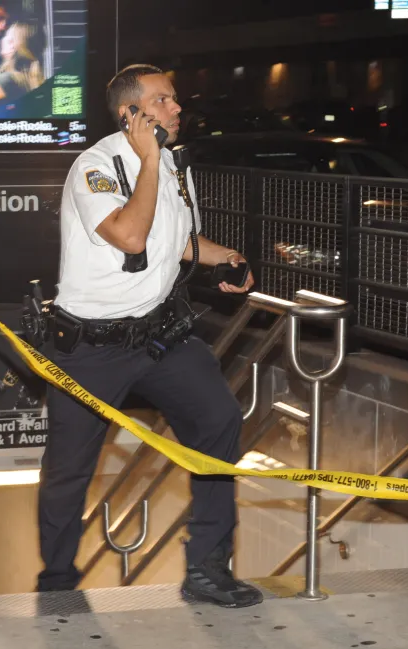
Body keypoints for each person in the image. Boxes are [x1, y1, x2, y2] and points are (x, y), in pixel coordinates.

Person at [38, 64, 263, 608]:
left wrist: (224, 257)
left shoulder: (169, 164)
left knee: (219, 419)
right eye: (163, 101)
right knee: (71, 468)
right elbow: (132, 235)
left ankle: (208, 568)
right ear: (131, 115)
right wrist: (146, 162)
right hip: (90, 347)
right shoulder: (94, 167)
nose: (177, 108)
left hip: (159, 335)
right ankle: (58, 584)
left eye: (175, 99)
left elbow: (177, 239)